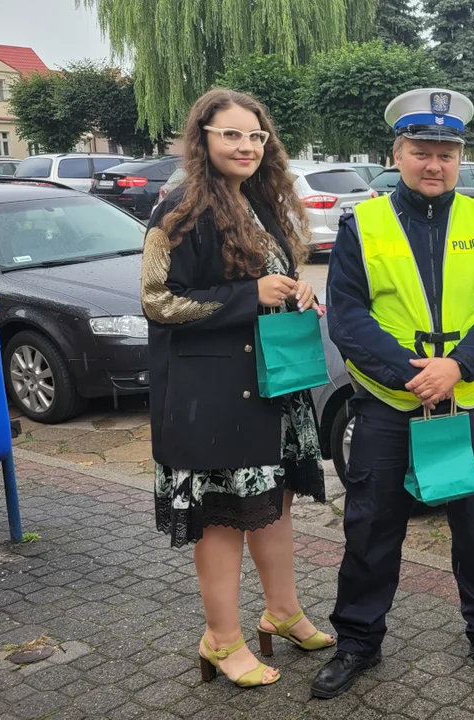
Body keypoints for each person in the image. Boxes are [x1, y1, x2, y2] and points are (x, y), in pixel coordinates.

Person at [313, 88, 474, 698]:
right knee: (370, 527)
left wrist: (458, 367)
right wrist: (411, 374)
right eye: (420, 152)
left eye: (445, 153)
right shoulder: (365, 224)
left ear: (459, 158)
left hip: (467, 402)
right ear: (397, 154)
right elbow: (349, 316)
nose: (433, 164)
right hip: (388, 405)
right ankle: (358, 640)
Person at [141, 88, 335, 689]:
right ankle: (222, 639)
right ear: (202, 139)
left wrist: (297, 291)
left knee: (273, 508)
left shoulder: (261, 202)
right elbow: (156, 302)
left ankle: (281, 611)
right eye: (231, 134)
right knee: (222, 519)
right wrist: (249, 298)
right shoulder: (177, 210)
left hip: (271, 385)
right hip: (210, 396)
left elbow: (275, 278)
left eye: (255, 135)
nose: (247, 146)